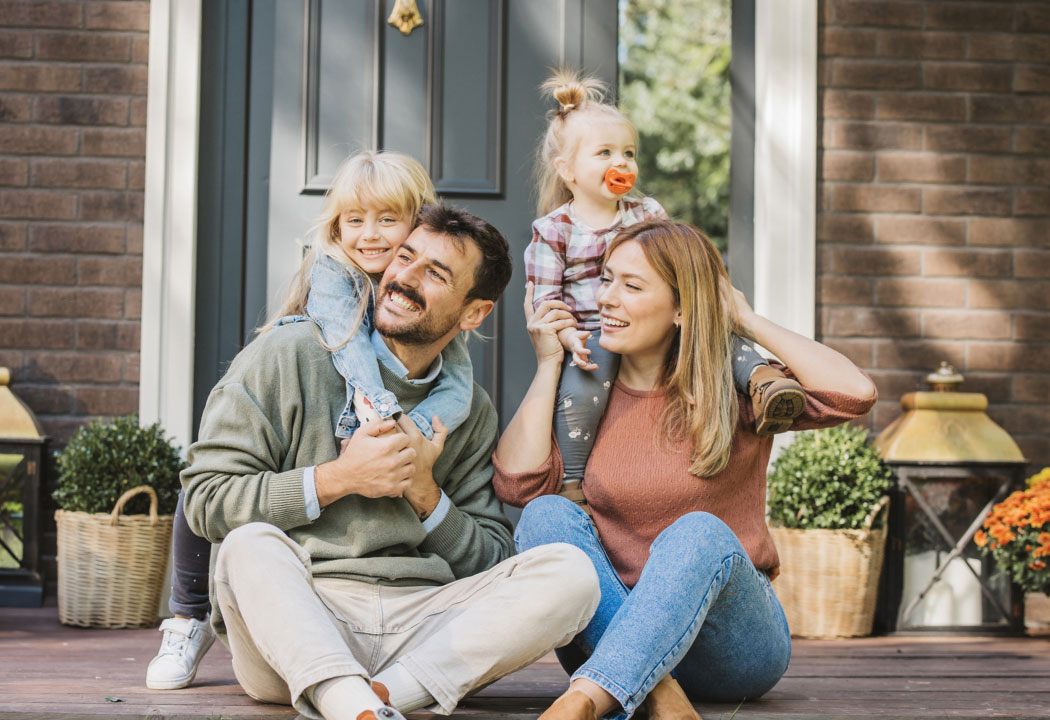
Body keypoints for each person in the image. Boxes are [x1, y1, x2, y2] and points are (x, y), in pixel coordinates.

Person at [180, 204, 601, 720]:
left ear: (474, 313)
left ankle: (366, 703)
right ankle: (349, 695)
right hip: (298, 618)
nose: (403, 278)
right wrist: (339, 478)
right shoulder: (289, 355)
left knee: (573, 574)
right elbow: (205, 500)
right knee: (247, 545)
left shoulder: (469, 411)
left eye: (435, 273)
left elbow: (491, 557)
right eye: (405, 257)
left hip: (423, 628)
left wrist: (424, 491)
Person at [495, 221, 878, 720]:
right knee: (546, 514)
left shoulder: (738, 388)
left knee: (698, 532)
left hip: (731, 648)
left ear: (682, 308)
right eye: (606, 279)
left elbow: (854, 394)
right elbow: (517, 484)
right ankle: (657, 695)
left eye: (631, 286)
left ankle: (588, 699)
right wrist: (549, 363)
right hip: (611, 635)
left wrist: (746, 318)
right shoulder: (583, 396)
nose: (607, 298)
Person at [146, 151, 473, 690]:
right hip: (325, 378)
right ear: (337, 226)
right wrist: (378, 418)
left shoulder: (423, 294)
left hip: (399, 590)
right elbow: (348, 353)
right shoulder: (334, 277)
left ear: (419, 222)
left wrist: (423, 436)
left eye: (388, 220)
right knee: (206, 483)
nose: (369, 235)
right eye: (355, 220)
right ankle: (186, 616)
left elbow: (455, 365)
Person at [526, 69, 804, 512]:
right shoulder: (553, 229)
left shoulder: (646, 212)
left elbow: (675, 260)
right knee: (579, 394)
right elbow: (545, 298)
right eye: (605, 153)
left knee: (720, 336)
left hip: (655, 323)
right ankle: (573, 483)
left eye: (629, 153)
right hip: (593, 335)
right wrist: (565, 337)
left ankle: (764, 383)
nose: (623, 163)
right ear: (568, 171)